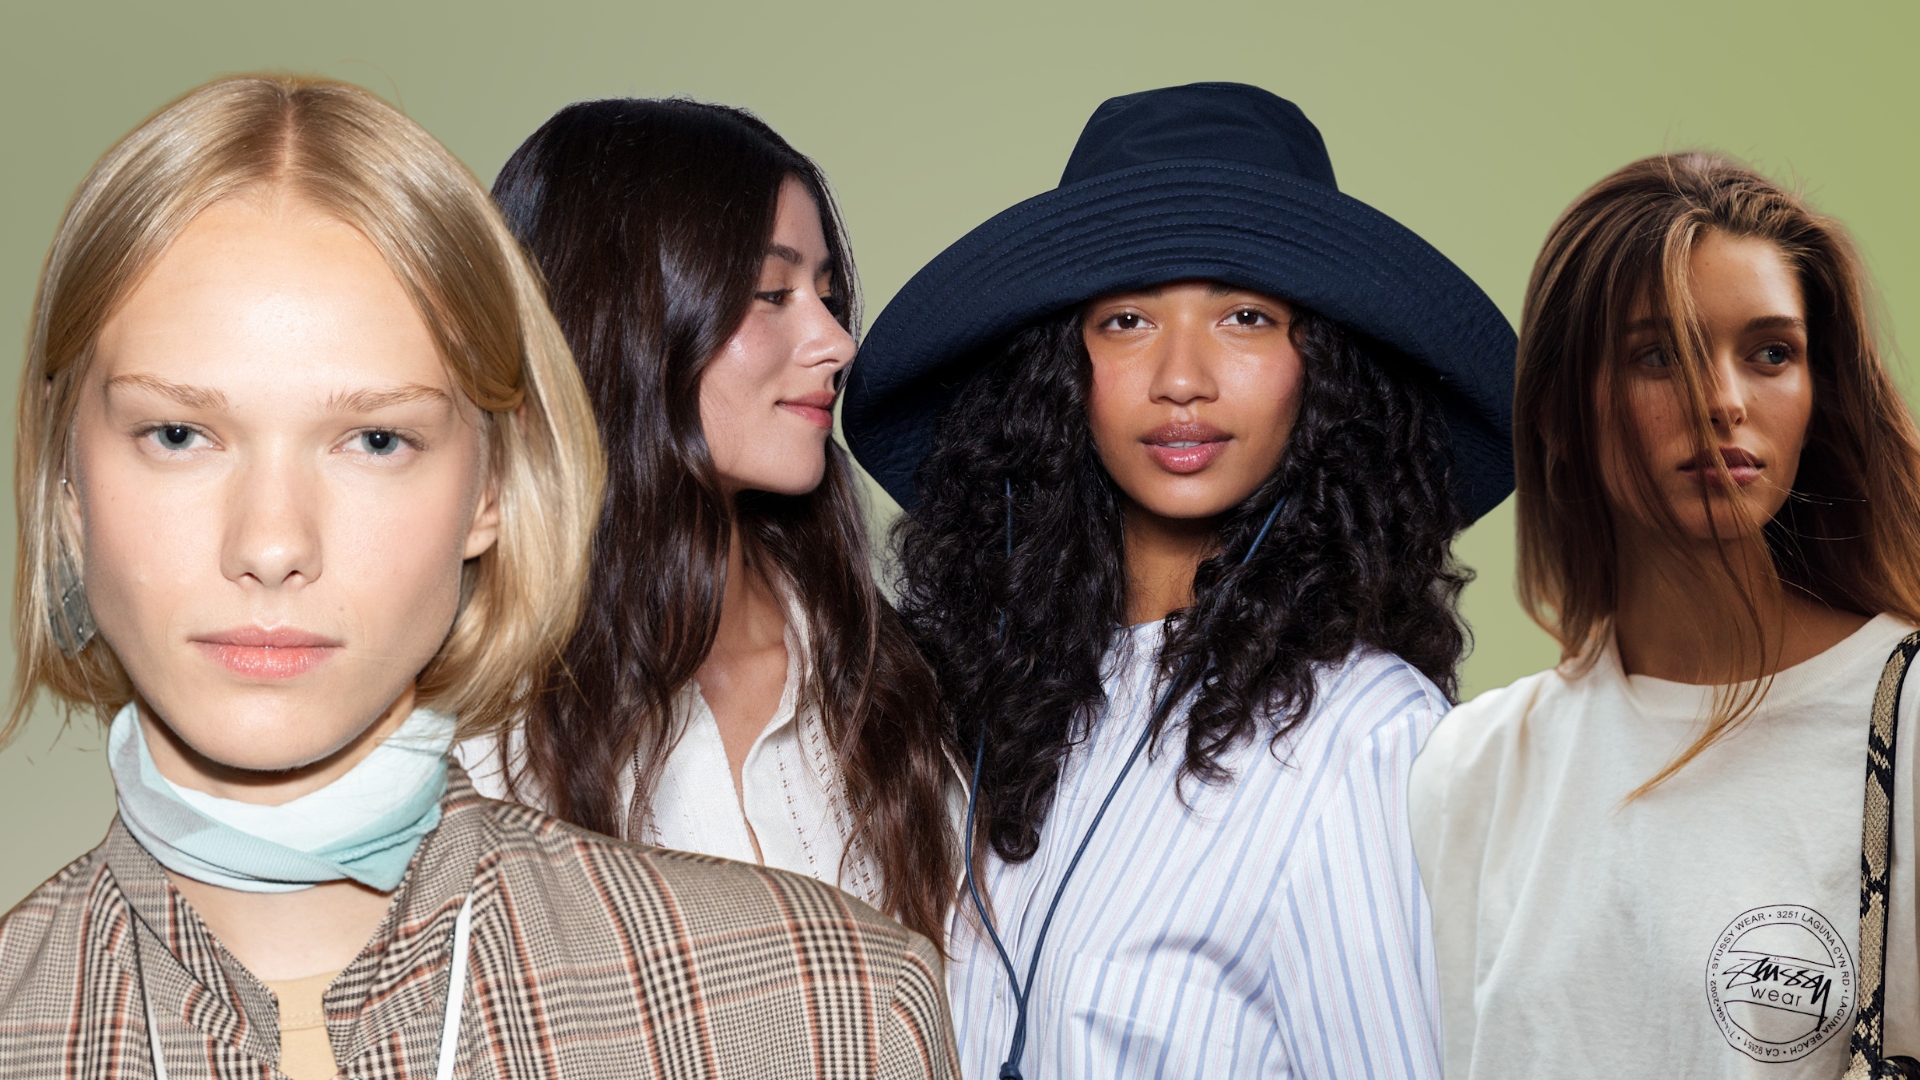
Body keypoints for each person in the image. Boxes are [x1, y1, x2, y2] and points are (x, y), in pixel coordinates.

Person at [0, 75, 957, 1080]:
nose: (272, 544)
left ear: (494, 485)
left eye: (376, 438)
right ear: (65, 480)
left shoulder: (837, 1003)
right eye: (178, 433)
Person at [843, 82, 1516, 1079]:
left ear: (1325, 373)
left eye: (1245, 317)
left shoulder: (1366, 738)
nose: (1182, 378)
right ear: (1058, 371)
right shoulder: (973, 710)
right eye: (1126, 320)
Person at [1409, 153, 1920, 1078]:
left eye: (1772, 353)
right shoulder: (1473, 768)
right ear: (1559, 411)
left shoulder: (1908, 723)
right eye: (1657, 355)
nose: (1723, 401)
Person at [454, 99, 959, 945]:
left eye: (828, 296)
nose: (838, 342)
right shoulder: (464, 713)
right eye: (772, 293)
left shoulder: (883, 675)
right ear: (623, 317)